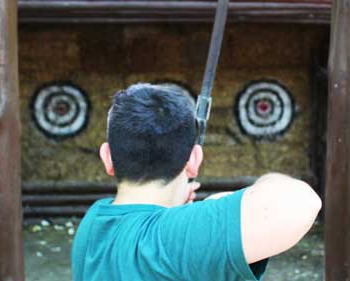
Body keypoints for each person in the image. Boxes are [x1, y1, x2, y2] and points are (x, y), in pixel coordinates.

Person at [71, 83, 322, 281]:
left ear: (107, 158)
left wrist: (185, 213)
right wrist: (217, 201)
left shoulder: (93, 224)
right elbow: (303, 201)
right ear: (194, 159)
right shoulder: (175, 239)